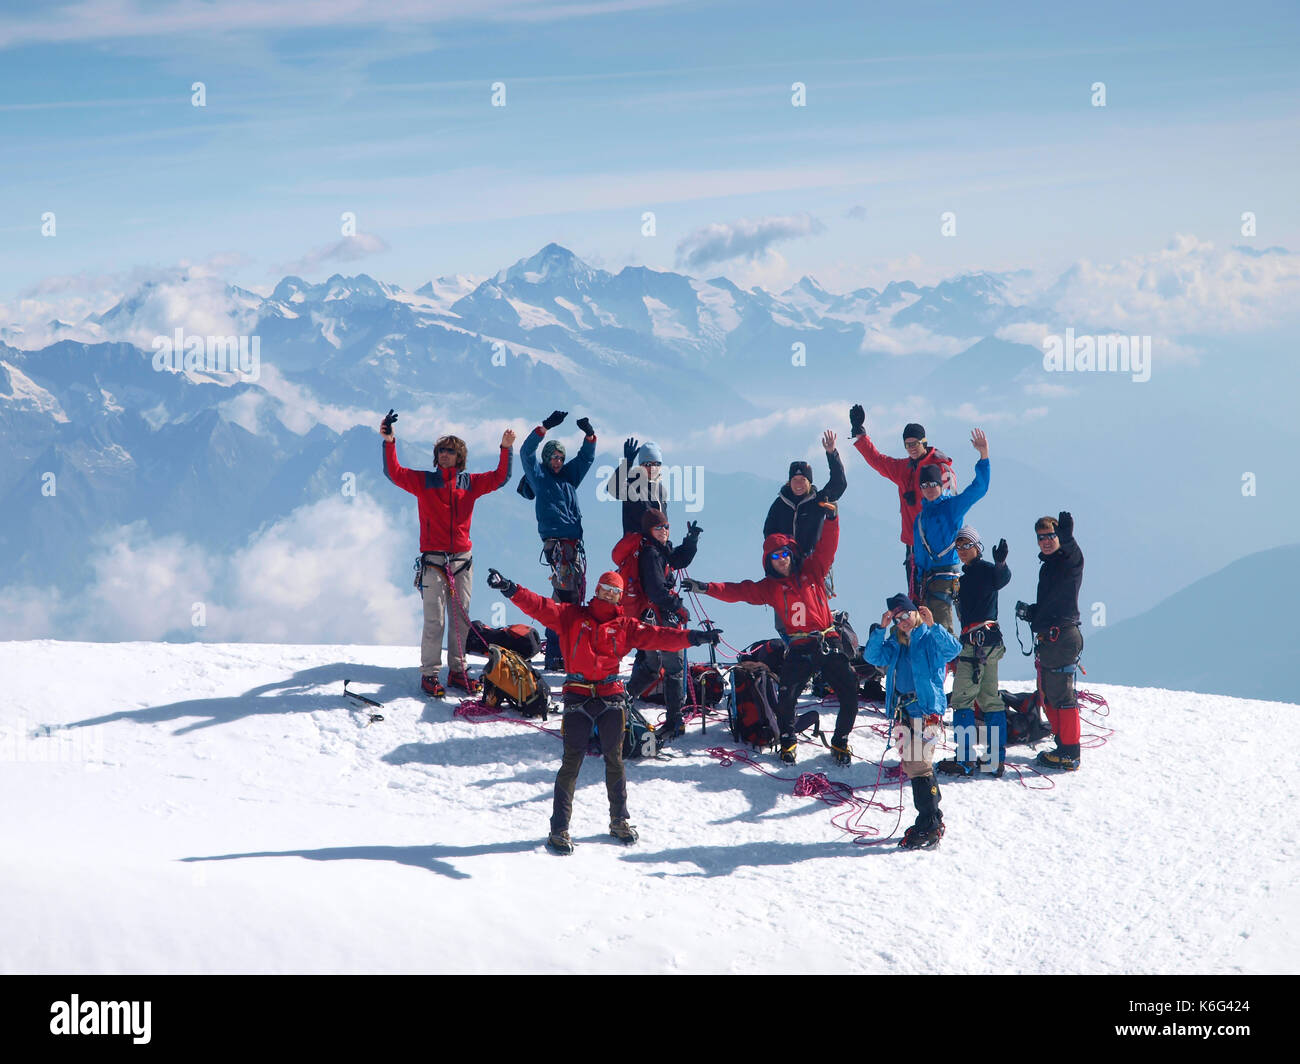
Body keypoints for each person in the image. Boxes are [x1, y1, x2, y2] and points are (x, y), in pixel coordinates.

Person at [486, 567, 721, 854]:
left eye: (615, 593)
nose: (609, 596)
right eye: (605, 591)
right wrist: (509, 587)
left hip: (611, 698)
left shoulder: (626, 626)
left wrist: (696, 637)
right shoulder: (571, 616)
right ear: (597, 591)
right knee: (571, 762)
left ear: (620, 597)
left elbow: (661, 636)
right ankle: (559, 829)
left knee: (615, 761)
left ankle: (619, 822)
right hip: (578, 697)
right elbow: (538, 604)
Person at [682, 498, 858, 766]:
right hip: (799, 649)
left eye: (785, 553)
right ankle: (787, 740)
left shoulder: (814, 569)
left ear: (792, 552)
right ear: (769, 561)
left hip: (827, 641)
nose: (782, 559)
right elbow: (737, 591)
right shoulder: (769, 588)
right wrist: (705, 588)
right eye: (776, 556)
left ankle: (841, 740)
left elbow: (827, 546)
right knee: (786, 697)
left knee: (850, 691)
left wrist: (832, 519)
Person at [381, 417, 515, 697]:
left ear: (460, 457)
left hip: (461, 561)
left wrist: (505, 449)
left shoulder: (470, 483)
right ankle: (430, 674)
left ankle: (457, 671)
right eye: (441, 450)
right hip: (434, 561)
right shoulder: (424, 481)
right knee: (435, 621)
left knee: (461, 619)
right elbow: (394, 472)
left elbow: (500, 478)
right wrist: (390, 441)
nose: (444, 454)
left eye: (450, 450)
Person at [864, 595, 961, 850]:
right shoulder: (896, 643)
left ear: (915, 613)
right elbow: (873, 657)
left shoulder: (929, 637)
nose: (902, 622)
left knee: (919, 765)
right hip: (902, 711)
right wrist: (881, 629)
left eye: (905, 615)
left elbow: (953, 650)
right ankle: (933, 818)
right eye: (897, 619)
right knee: (912, 764)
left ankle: (928, 822)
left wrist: (934, 625)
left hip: (925, 711)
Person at [848, 407, 954, 603]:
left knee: (939, 599)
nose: (911, 448)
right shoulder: (904, 469)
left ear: (924, 442)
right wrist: (860, 435)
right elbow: (878, 460)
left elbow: (952, 505)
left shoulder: (941, 468)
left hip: (938, 545)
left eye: (914, 443)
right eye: (907, 445)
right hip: (913, 545)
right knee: (916, 599)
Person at [520, 410, 597, 671]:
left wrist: (589, 435)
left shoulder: (568, 476)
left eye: (561, 457)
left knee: (566, 598)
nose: (558, 461)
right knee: (566, 598)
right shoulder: (539, 477)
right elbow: (525, 454)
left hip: (572, 545)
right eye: (554, 456)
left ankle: (561, 652)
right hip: (558, 546)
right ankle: (557, 653)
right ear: (546, 457)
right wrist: (543, 428)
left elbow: (586, 459)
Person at [938, 527, 1010, 777]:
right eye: (958, 547)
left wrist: (1001, 564)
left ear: (977, 547)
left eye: (966, 545)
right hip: (988, 642)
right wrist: (1000, 565)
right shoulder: (969, 575)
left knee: (962, 700)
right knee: (990, 699)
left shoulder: (983, 571)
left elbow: (1000, 579)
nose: (962, 551)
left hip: (976, 643)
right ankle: (994, 759)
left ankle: (966, 759)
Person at [1016, 512, 1085, 771]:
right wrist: (1035, 614)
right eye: (1041, 537)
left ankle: (1070, 752)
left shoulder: (1068, 561)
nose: (1045, 541)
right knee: (1050, 695)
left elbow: (1074, 556)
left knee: (1062, 695)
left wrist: (1068, 539)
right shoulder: (1048, 567)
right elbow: (1053, 603)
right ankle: (1063, 746)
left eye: (1050, 536)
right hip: (1053, 637)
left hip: (1063, 636)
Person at [625, 509, 702, 742]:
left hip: (648, 615)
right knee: (673, 668)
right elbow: (657, 591)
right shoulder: (651, 554)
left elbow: (677, 559)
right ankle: (674, 720)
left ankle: (619, 701)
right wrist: (678, 607)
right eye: (659, 528)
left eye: (666, 527)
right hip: (660, 613)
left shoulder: (655, 549)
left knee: (652, 665)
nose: (664, 531)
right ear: (649, 530)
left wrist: (690, 540)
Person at [910, 428, 990, 634]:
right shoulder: (920, 518)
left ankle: (948, 665)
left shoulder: (951, 508)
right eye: (924, 485)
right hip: (924, 582)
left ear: (941, 485)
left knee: (940, 630)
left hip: (943, 581)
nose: (928, 488)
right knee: (922, 631)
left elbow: (978, 489)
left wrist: (984, 456)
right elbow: (919, 553)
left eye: (933, 484)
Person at [763, 430, 847, 622]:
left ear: (810, 482)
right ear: (789, 481)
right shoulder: (780, 504)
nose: (799, 484)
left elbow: (839, 483)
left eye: (803, 480)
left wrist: (831, 453)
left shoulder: (818, 501)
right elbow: (768, 533)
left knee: (814, 614)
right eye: (795, 480)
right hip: (785, 566)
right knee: (785, 616)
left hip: (812, 564)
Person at [605, 437, 669, 535]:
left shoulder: (661, 490)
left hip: (658, 547)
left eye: (657, 464)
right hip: (638, 547)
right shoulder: (633, 485)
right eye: (648, 464)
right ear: (641, 466)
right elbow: (613, 488)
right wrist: (627, 463)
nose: (652, 468)